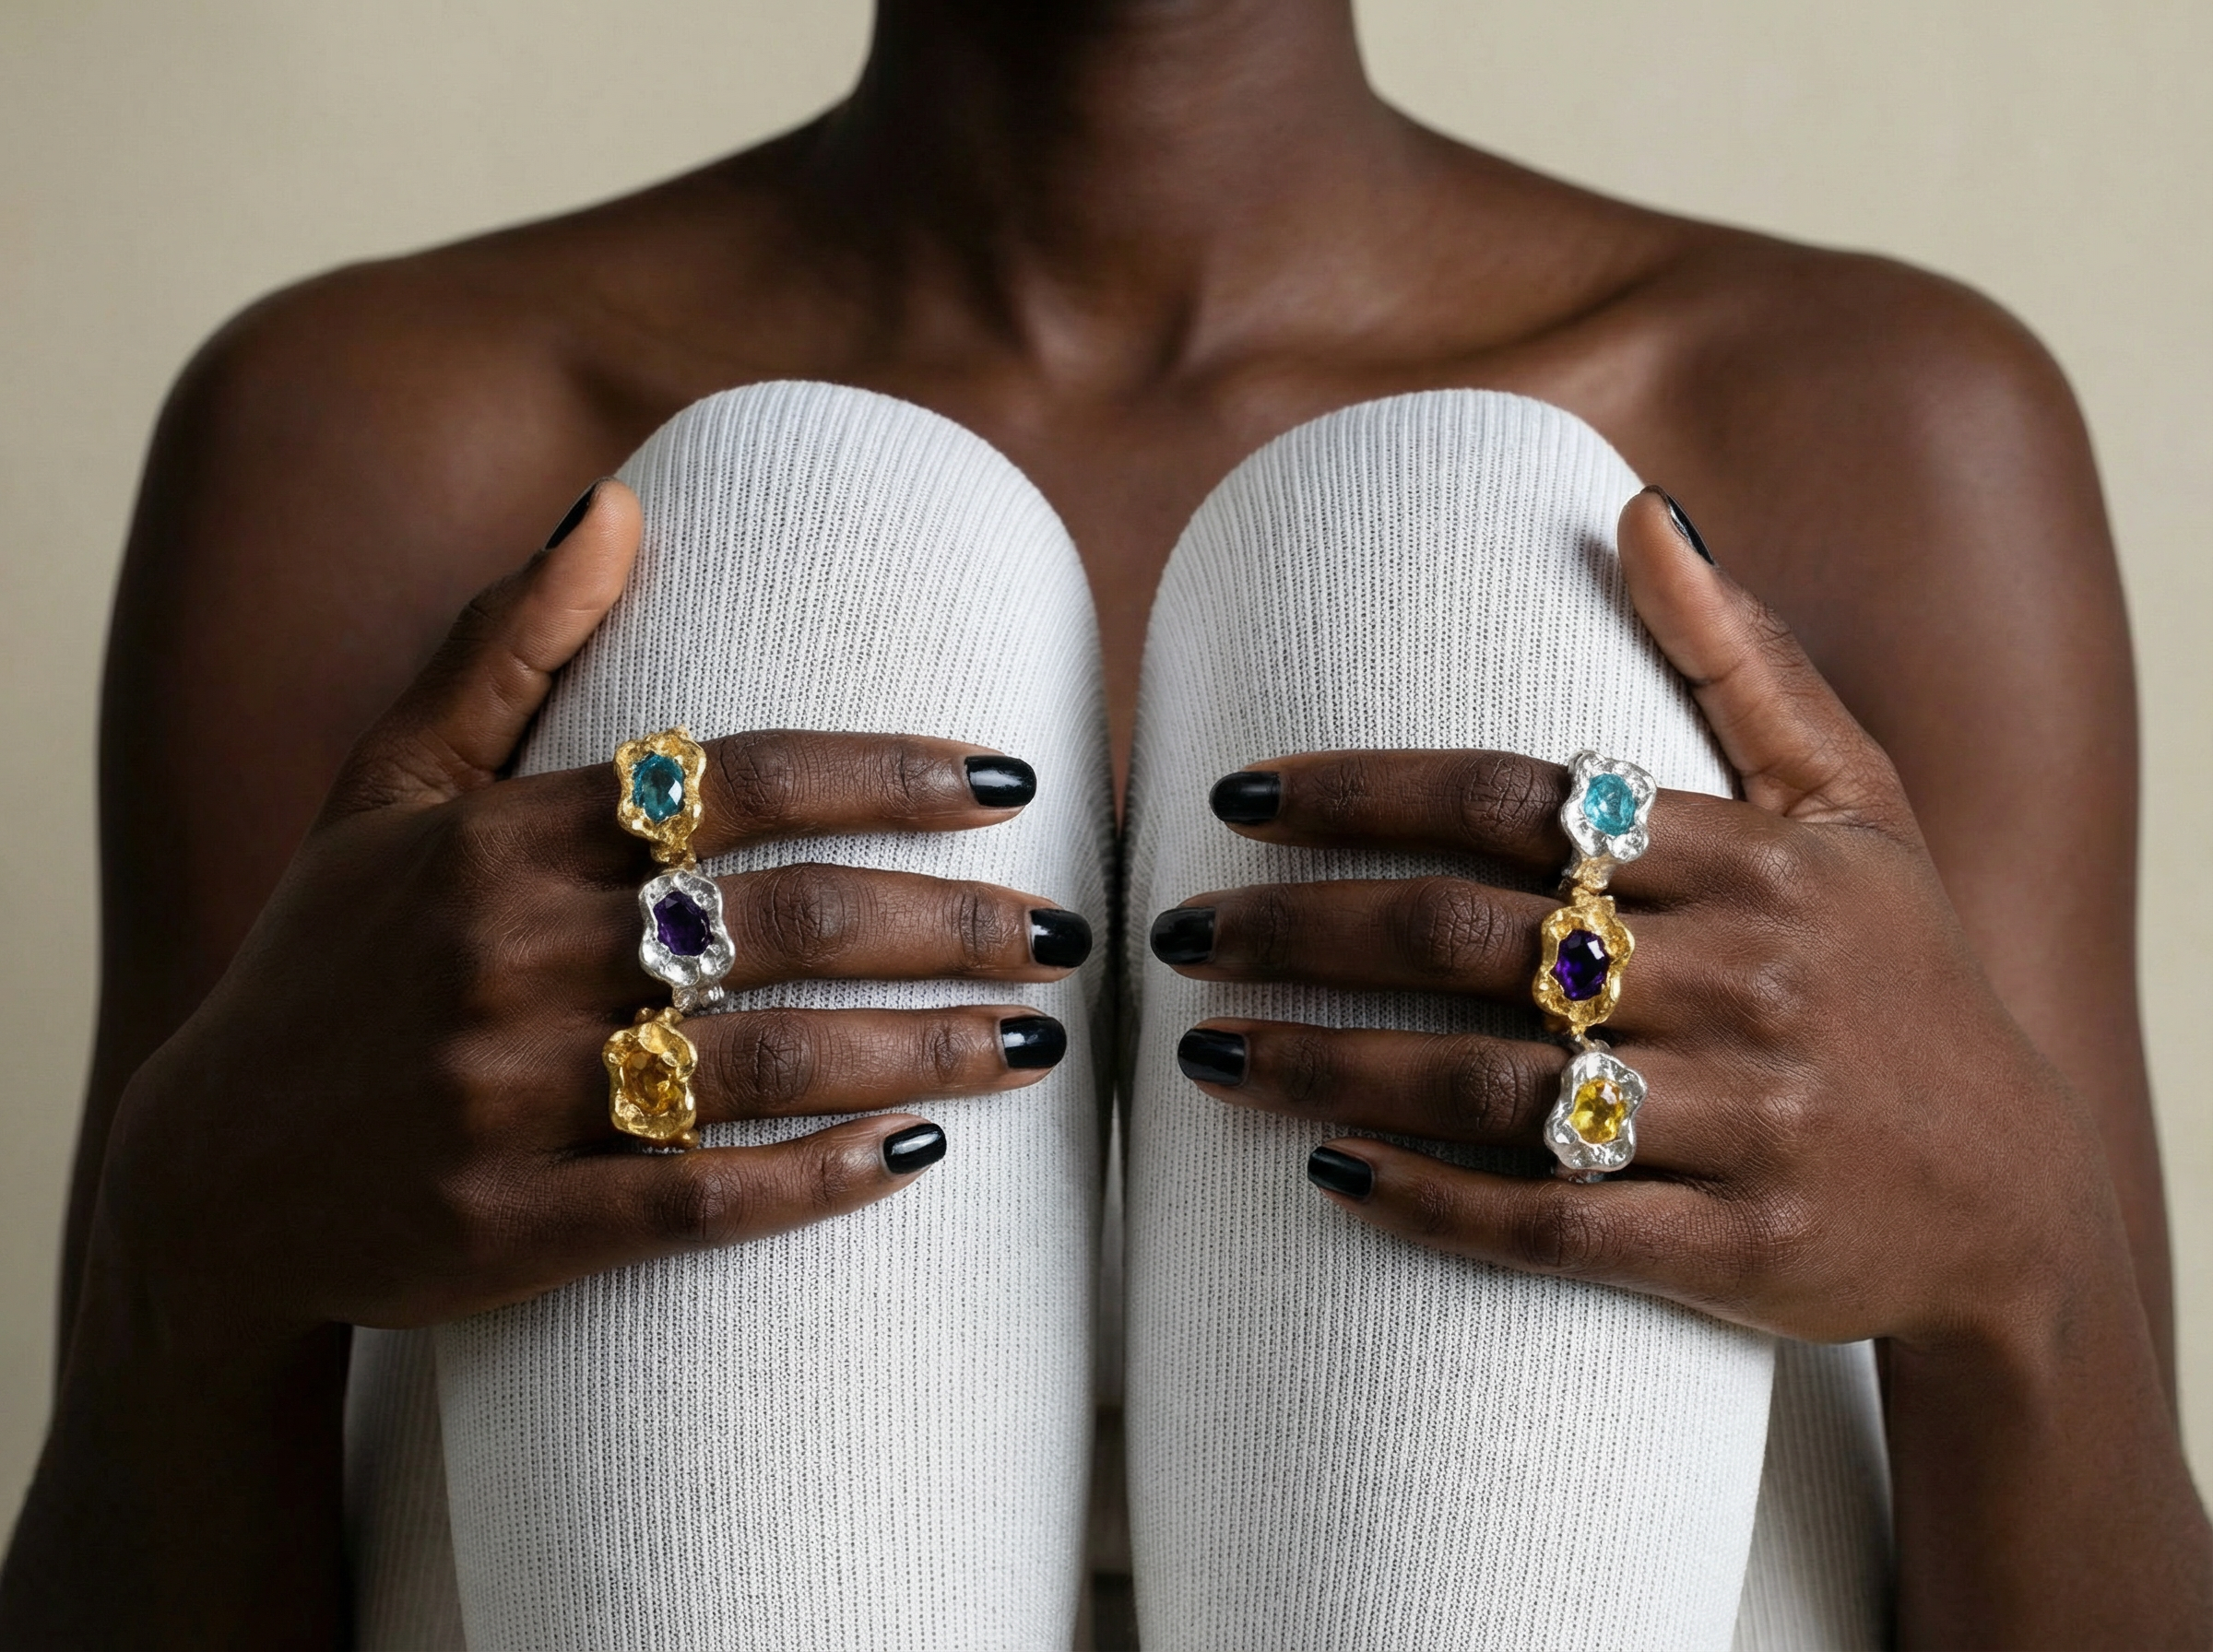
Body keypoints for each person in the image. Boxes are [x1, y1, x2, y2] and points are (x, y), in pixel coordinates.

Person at [3, 1, 2208, 1647]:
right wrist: (193, 1245)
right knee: (796, 525)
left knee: (1468, 543)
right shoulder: (360, 433)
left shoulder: (1886, 424)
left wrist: (2011, 1249)